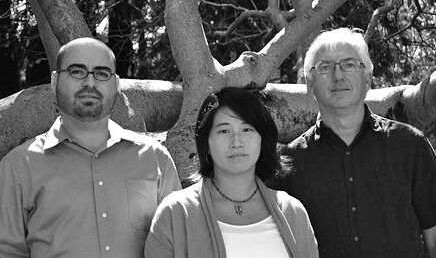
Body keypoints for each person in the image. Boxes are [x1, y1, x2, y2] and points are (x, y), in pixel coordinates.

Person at [0, 37, 181, 258]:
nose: (90, 83)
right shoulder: (18, 168)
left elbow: (178, 245)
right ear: (55, 81)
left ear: (115, 85)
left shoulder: (155, 158)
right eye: (77, 71)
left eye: (102, 73)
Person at [268, 27, 436, 258]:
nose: (338, 76)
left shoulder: (410, 145)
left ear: (367, 78)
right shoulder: (289, 162)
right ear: (310, 83)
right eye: (325, 67)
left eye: (349, 64)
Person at [144, 87, 319, 258]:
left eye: (247, 129)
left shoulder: (292, 212)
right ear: (206, 143)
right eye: (224, 131)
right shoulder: (176, 212)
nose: (237, 141)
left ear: (262, 139)